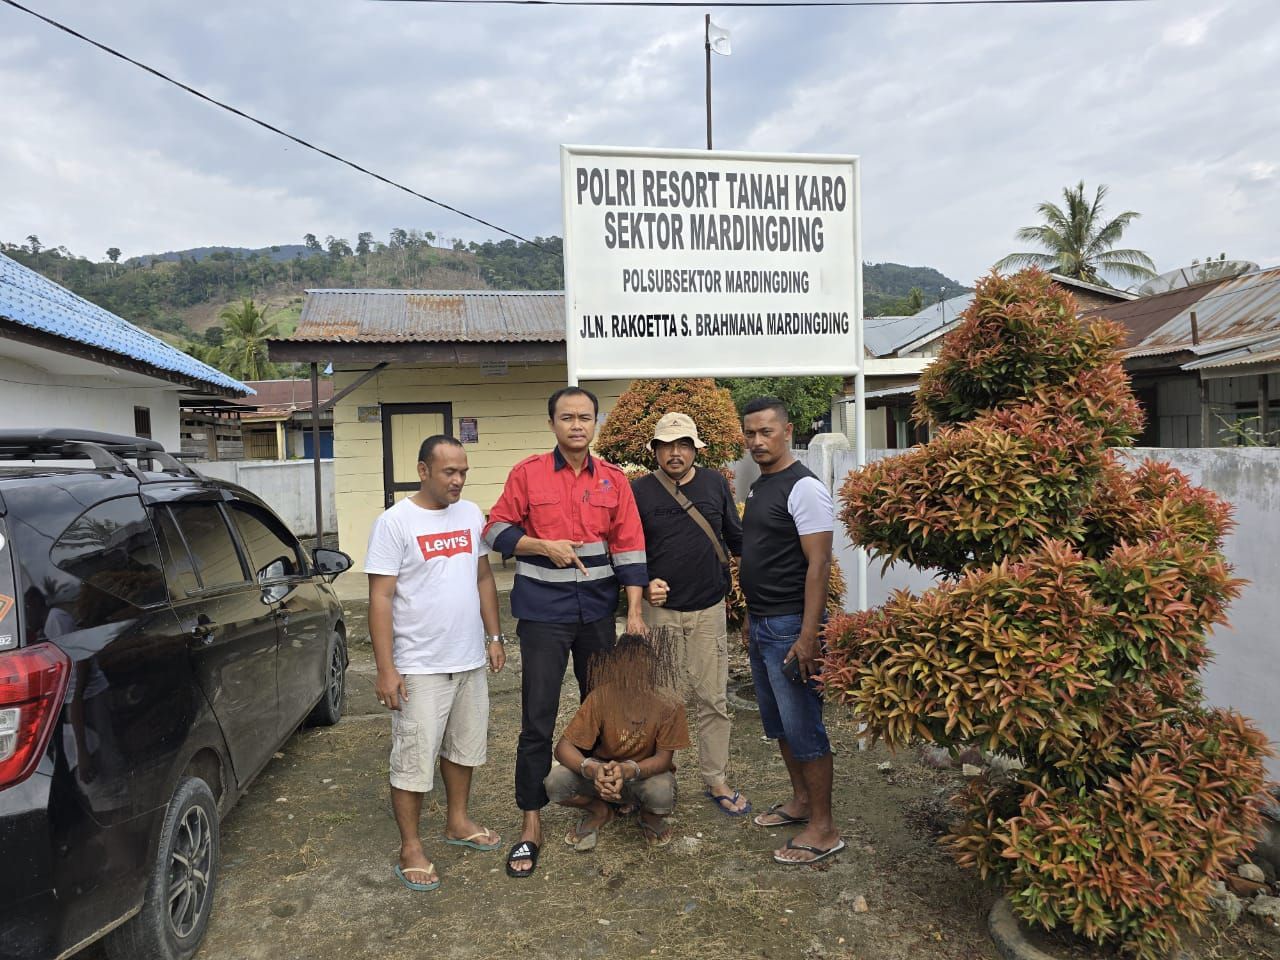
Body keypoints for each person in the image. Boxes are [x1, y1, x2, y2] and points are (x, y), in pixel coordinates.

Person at [483, 386, 648, 878]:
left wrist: (633, 612)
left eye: (585, 417)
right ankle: (531, 819)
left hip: (596, 614)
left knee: (599, 712)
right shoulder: (527, 473)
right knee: (538, 717)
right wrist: (540, 545)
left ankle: (599, 800)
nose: (577, 425)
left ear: (596, 423)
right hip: (542, 615)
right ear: (552, 422)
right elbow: (494, 530)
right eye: (567, 417)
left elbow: (630, 548)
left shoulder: (614, 481)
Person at [365, 434, 507, 892]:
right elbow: (380, 598)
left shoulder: (470, 514)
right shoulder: (394, 523)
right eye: (449, 471)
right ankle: (410, 845)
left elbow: (483, 577)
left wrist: (494, 636)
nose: (458, 480)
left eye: (463, 471)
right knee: (413, 758)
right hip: (420, 665)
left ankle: (458, 821)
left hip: (467, 658)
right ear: (423, 470)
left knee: (463, 747)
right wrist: (386, 669)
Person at [739, 397, 845, 865]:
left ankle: (824, 828)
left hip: (790, 627)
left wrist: (808, 636)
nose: (757, 441)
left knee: (804, 725)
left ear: (788, 430)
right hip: (763, 623)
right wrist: (748, 616)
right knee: (780, 724)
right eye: (750, 433)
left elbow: (818, 564)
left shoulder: (803, 488)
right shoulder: (763, 486)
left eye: (766, 432)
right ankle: (800, 801)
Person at [630, 412, 750, 817]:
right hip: (660, 613)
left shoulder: (716, 483)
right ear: (655, 450)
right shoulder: (639, 491)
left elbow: (735, 538)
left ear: (697, 449)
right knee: (662, 700)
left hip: (708, 609)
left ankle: (715, 778)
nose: (675, 452)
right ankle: (660, 774)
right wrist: (645, 582)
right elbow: (626, 549)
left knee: (712, 698)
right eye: (666, 445)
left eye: (683, 444)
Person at [544, 629, 689, 849]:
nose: (634, 675)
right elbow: (563, 748)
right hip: (601, 775)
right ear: (616, 667)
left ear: (653, 668)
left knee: (661, 795)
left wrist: (628, 770)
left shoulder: (669, 703)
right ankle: (599, 810)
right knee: (555, 783)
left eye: (642, 667)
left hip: (642, 775)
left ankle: (648, 815)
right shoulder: (601, 697)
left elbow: (664, 760)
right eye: (627, 667)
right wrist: (592, 769)